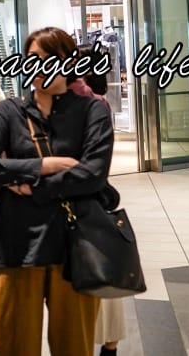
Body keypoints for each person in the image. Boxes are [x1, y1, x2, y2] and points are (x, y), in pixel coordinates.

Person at [0, 27, 113, 355]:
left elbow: (93, 175)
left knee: (74, 347)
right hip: (15, 247)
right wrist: (47, 166)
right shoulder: (8, 112)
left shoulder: (91, 111)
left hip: (74, 246)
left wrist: (28, 184)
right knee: (9, 346)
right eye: (31, 60)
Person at [72, 45, 125, 356]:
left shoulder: (93, 105)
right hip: (77, 208)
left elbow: (92, 168)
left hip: (89, 208)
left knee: (102, 288)